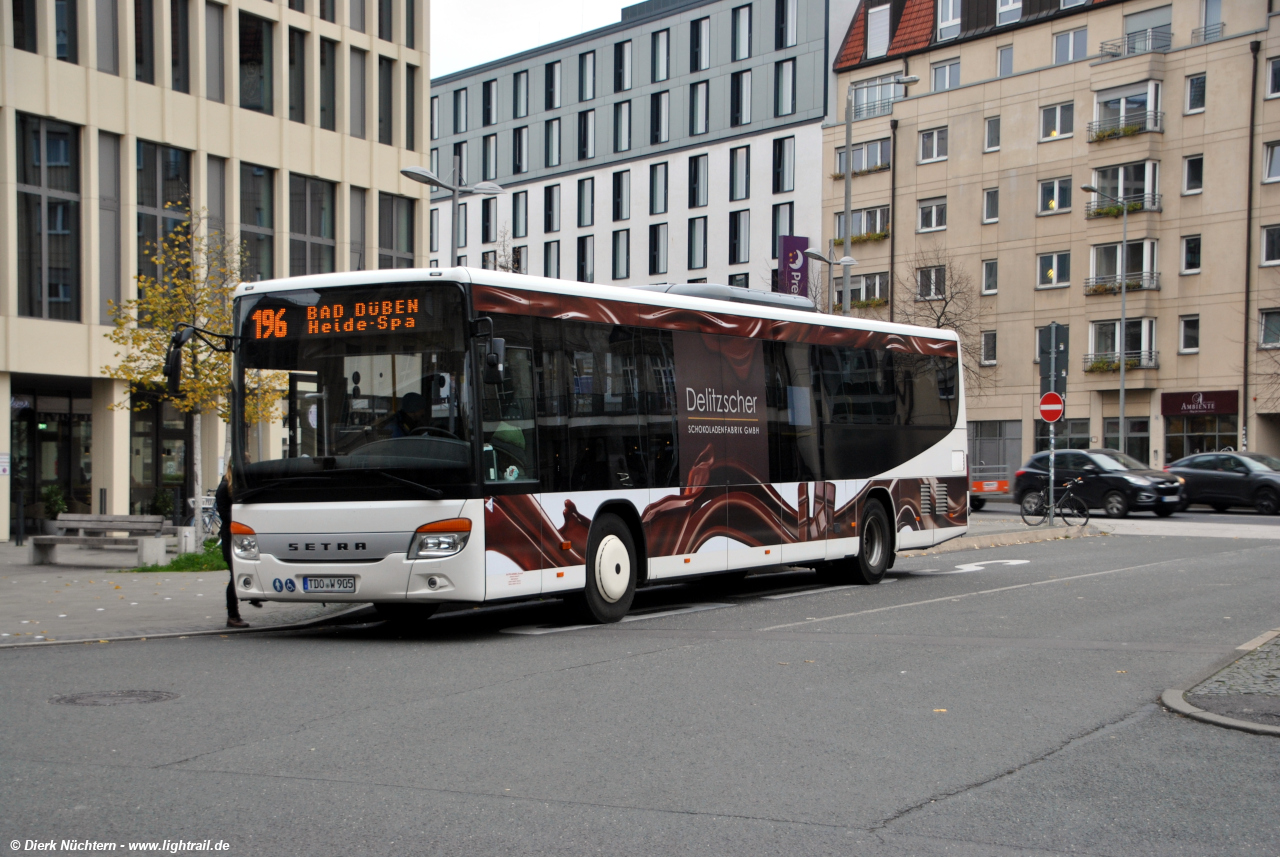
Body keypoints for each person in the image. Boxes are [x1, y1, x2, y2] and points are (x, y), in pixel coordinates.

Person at [216, 466, 248, 628]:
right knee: (235, 575)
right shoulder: (224, 487)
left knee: (239, 573)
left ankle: (235, 613)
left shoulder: (238, 486)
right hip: (231, 536)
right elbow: (224, 514)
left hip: (240, 535)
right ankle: (233, 616)